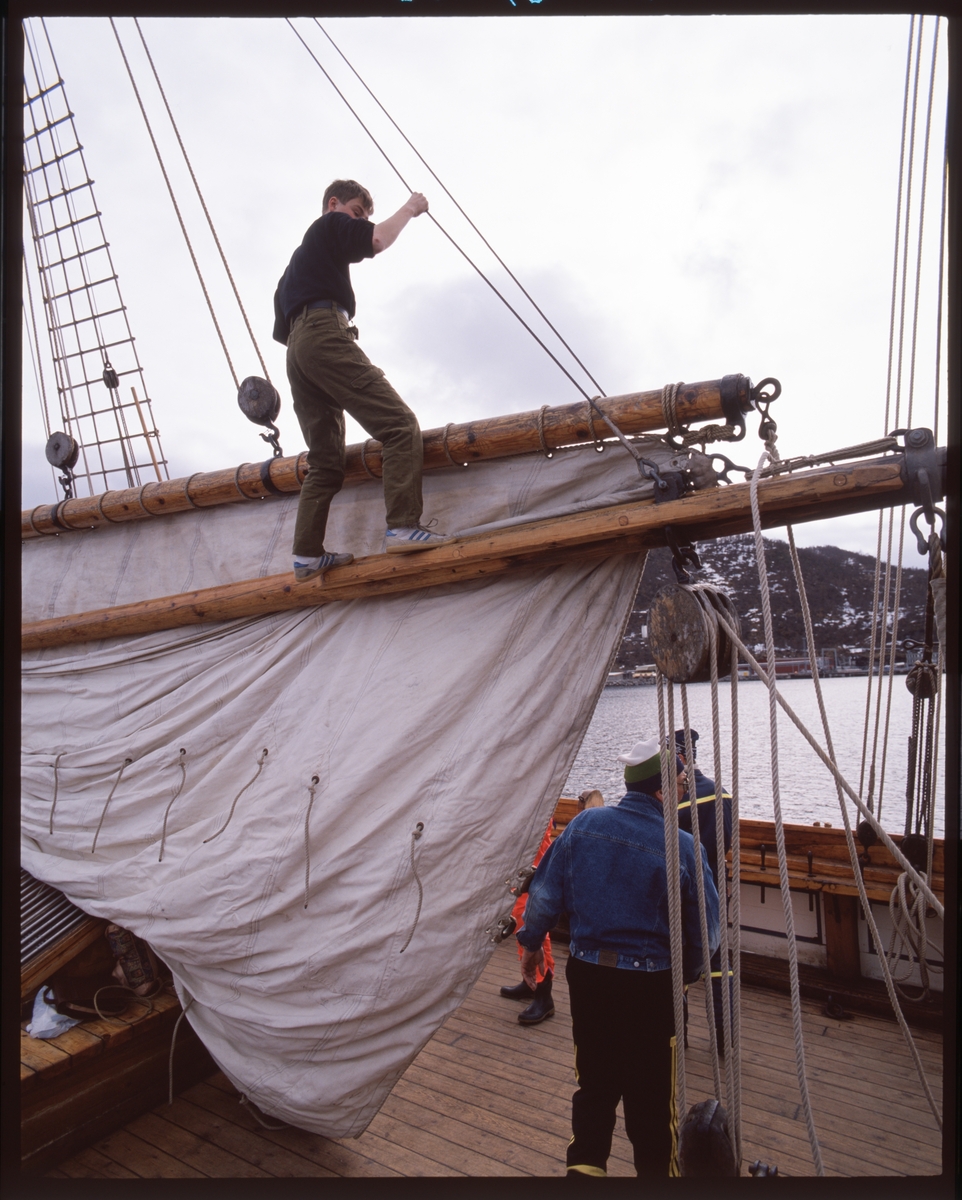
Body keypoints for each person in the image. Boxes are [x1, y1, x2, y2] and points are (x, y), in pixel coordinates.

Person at [516, 737, 719, 1178]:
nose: (685, 788)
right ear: (661, 789)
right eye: (682, 781)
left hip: (589, 978)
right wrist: (688, 974)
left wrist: (531, 949)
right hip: (651, 989)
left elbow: (544, 895)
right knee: (651, 1109)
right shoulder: (683, 847)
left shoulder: (583, 827)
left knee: (594, 1092)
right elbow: (707, 931)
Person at [273, 179, 454, 583]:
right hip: (323, 332)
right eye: (357, 212)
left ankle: (305, 555)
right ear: (334, 204)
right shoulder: (327, 225)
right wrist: (410, 208)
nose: (359, 222)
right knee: (399, 425)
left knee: (325, 462)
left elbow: (284, 327)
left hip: (296, 352)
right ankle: (403, 526)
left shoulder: (296, 267)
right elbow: (375, 241)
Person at [674, 729, 733, 1046]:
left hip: (682, 894)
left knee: (675, 963)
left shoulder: (675, 800)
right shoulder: (721, 793)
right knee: (720, 966)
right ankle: (726, 1038)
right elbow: (726, 841)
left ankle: (678, 1036)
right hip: (715, 888)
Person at [499, 818, 556, 1025]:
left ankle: (544, 993)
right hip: (521, 845)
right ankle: (530, 982)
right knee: (519, 915)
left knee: (531, 918)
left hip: (533, 848)